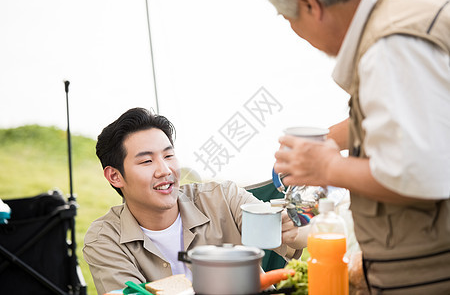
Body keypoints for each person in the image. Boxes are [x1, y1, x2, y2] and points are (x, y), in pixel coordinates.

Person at [266, 0, 450, 293]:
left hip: (428, 274)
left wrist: (327, 166)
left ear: (310, 4)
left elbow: (417, 173)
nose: (295, 32)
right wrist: (326, 141)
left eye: (288, 19)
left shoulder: (391, 46)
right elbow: (408, 120)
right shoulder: (405, 12)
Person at [83, 107, 307, 295]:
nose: (165, 170)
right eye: (147, 161)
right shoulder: (104, 239)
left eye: (169, 156)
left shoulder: (223, 197)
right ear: (115, 176)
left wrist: (294, 229)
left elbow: (300, 238)